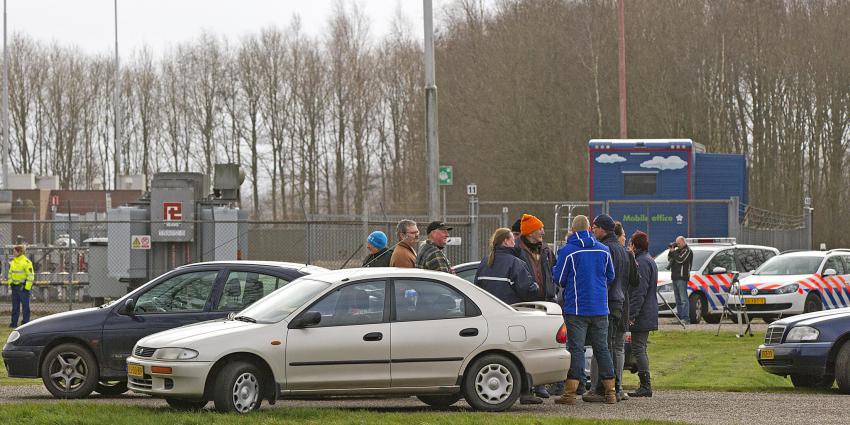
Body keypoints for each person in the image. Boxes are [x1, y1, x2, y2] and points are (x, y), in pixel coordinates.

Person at [474, 228, 544, 405]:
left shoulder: (484, 262)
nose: (515, 242)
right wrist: (536, 287)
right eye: (513, 239)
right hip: (510, 316)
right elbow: (527, 290)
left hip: (488, 317)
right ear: (506, 241)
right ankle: (526, 393)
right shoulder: (515, 263)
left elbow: (477, 288)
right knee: (519, 355)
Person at [552, 215, 617, 405]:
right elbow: (610, 275)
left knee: (576, 349)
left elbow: (560, 278)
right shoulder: (603, 250)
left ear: (572, 230)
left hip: (577, 308)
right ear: (589, 228)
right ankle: (610, 392)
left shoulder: (568, 251)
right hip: (600, 307)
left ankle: (570, 393)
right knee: (602, 349)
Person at [584, 214, 628, 403]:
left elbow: (605, 278)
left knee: (603, 347)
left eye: (595, 227)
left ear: (603, 229)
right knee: (613, 347)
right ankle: (616, 387)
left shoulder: (605, 249)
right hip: (619, 301)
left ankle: (602, 388)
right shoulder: (622, 249)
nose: (593, 230)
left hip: (607, 302)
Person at [515, 213, 558, 399]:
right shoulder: (517, 250)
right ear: (530, 232)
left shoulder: (546, 250)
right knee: (526, 345)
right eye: (539, 228)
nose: (543, 231)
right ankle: (527, 387)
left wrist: (553, 290)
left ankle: (540, 385)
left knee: (543, 345)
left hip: (546, 301)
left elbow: (553, 271)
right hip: (525, 303)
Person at [627, 230, 658, 397]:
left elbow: (639, 291)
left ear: (634, 245)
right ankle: (645, 384)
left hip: (642, 313)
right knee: (640, 348)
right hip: (648, 311)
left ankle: (646, 385)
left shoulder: (641, 262)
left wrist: (632, 314)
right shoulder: (648, 259)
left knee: (638, 348)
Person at [668, 236, 693, 323]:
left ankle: (686, 318)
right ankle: (680, 318)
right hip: (674, 277)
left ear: (683, 242)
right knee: (678, 299)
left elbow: (681, 259)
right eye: (676, 243)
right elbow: (670, 259)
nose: (677, 245)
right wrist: (670, 251)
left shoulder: (688, 251)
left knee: (683, 299)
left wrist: (674, 252)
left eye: (678, 243)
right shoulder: (677, 251)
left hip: (682, 277)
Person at [8, 245, 34, 328]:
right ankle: (13, 323)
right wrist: (10, 283)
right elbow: (10, 274)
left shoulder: (26, 262)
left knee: (25, 307)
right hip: (15, 287)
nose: (13, 253)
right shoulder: (13, 262)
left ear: (19, 252)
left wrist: (26, 288)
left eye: (14, 251)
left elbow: (30, 276)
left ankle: (25, 324)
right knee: (15, 307)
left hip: (23, 288)